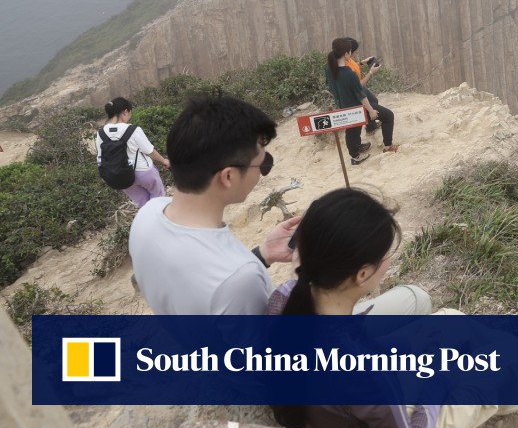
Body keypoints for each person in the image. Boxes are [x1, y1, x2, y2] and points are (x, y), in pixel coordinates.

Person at [268, 188, 518, 428]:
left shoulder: (286, 297)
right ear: (362, 274)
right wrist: (438, 379)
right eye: (386, 254)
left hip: (343, 404)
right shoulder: (365, 376)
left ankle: (515, 349)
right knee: (484, 379)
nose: (389, 260)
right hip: (397, 422)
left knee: (448, 322)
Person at [128, 95, 433, 317]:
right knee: (416, 299)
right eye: (263, 164)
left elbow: (203, 286)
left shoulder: (148, 216)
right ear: (228, 176)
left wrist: (263, 254)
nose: (262, 172)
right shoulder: (242, 280)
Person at [325, 38, 397, 165]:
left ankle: (355, 153)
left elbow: (332, 85)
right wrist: (371, 111)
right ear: (346, 54)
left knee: (352, 129)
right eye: (351, 52)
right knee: (388, 116)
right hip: (357, 108)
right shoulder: (349, 74)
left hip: (343, 105)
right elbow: (361, 96)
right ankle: (388, 147)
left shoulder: (329, 69)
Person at [95, 97, 170, 207]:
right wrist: (164, 161)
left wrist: (106, 176)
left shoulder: (101, 133)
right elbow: (149, 151)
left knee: (142, 203)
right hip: (143, 172)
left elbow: (100, 158)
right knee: (159, 198)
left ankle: (147, 217)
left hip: (121, 176)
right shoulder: (133, 129)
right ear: (125, 112)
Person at [345, 37, 387, 135]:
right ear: (349, 52)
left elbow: (353, 66)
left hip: (359, 87)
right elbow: (358, 85)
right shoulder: (346, 66)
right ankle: (370, 126)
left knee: (374, 100)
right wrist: (371, 72)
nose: (357, 53)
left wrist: (362, 63)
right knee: (371, 106)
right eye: (355, 51)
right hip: (357, 89)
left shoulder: (348, 59)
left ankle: (371, 125)